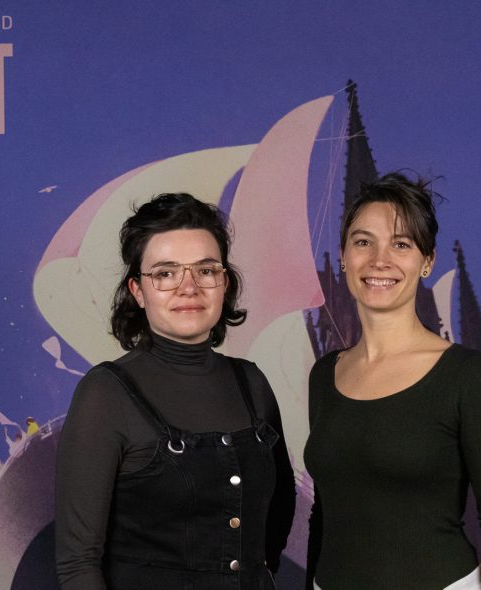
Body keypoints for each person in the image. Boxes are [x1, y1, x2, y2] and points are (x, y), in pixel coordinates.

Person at [55, 193, 296, 590]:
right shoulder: (106, 394)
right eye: (165, 273)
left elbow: (276, 521)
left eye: (206, 270)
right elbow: (77, 563)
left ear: (225, 283)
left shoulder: (252, 383)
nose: (189, 288)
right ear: (137, 290)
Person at [304, 172, 481, 589]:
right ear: (343, 256)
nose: (379, 260)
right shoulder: (324, 375)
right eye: (363, 242)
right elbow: (325, 512)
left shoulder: (466, 375)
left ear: (427, 261)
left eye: (401, 244)